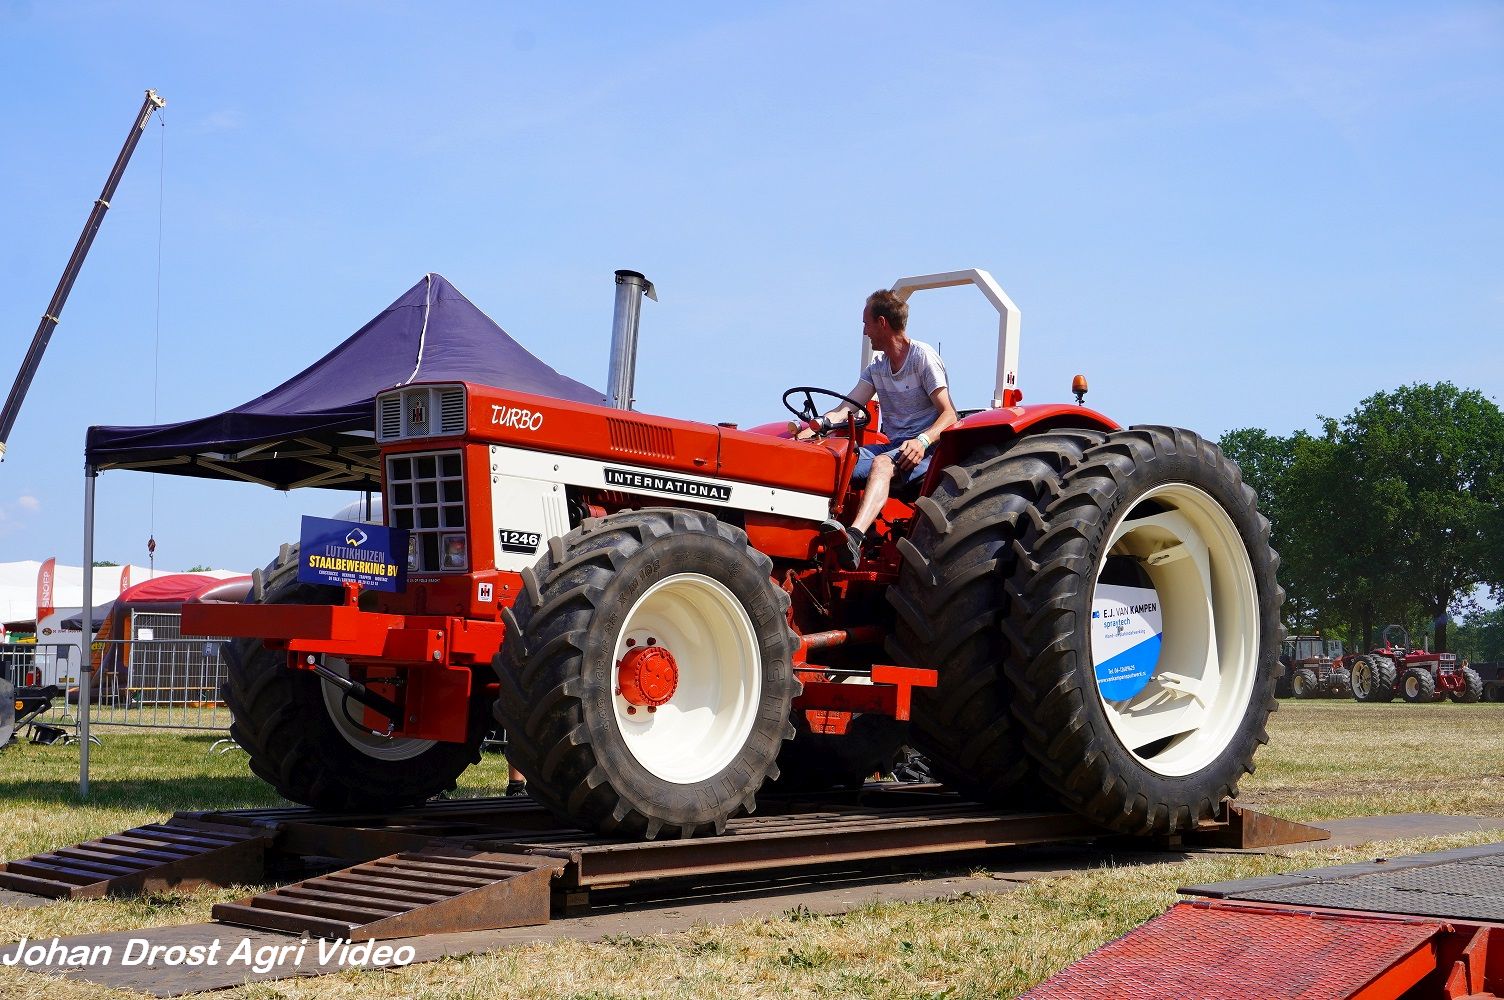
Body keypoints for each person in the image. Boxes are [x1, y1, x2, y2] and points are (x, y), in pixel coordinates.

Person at [802, 289, 957, 568]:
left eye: (867, 324)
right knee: (839, 457)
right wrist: (814, 429)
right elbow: (846, 408)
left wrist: (922, 441)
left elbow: (949, 415)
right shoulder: (878, 368)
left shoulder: (922, 357)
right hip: (895, 446)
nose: (865, 332)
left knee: (882, 464)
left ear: (882, 323)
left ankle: (855, 537)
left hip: (929, 452)